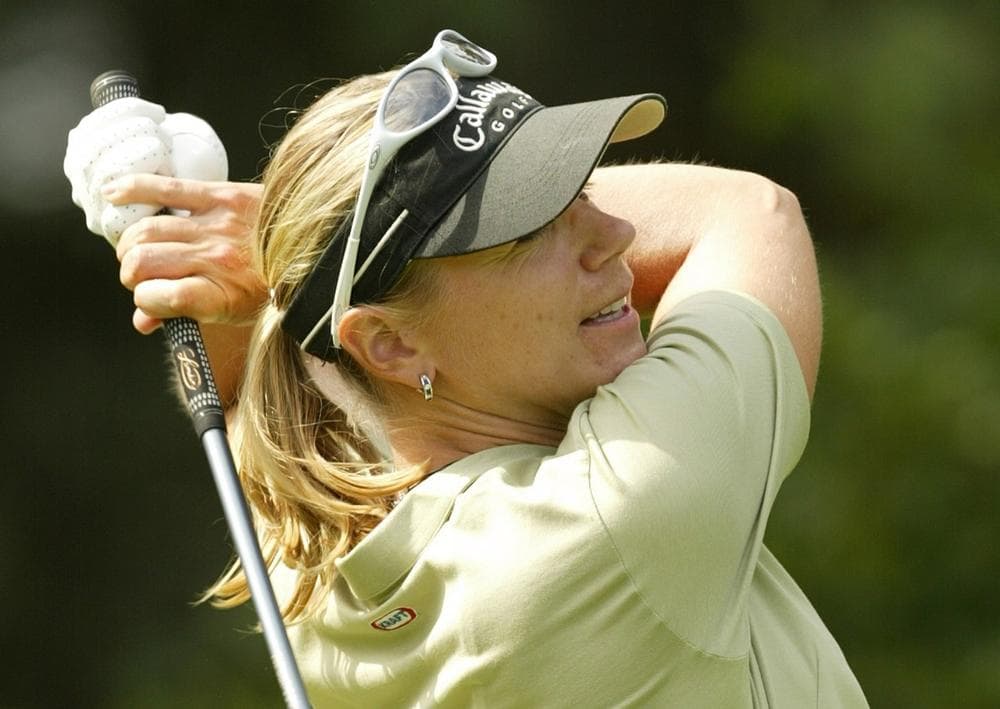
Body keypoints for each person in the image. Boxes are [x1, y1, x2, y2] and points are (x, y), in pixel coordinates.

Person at [66, 29, 868, 708]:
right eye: (532, 228)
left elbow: (255, 390)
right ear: (391, 346)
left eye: (582, 186)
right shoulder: (622, 512)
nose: (616, 232)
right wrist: (267, 241)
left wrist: (272, 263)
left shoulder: (315, 570)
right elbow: (744, 213)